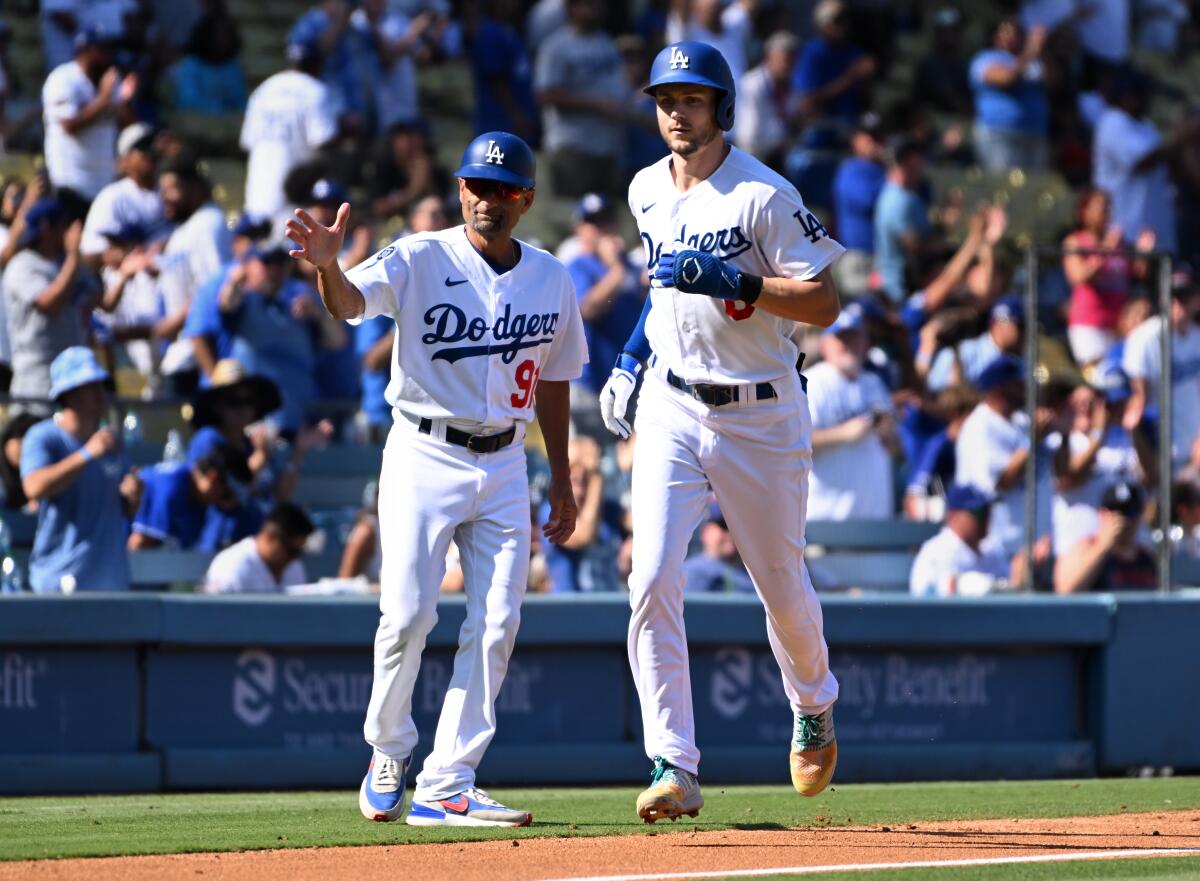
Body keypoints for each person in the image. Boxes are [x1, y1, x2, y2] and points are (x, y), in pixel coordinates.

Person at [288, 130, 586, 827]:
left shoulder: (550, 274)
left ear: (528, 199)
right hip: (425, 450)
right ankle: (388, 749)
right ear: (459, 190)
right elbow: (349, 304)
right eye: (478, 185)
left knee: (498, 620)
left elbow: (558, 380)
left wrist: (563, 478)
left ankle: (449, 779)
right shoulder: (421, 255)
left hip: (509, 459)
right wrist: (329, 269)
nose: (489, 198)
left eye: (504, 188)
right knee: (408, 616)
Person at [597, 41, 844, 823]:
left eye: (692, 99)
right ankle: (674, 761)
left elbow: (824, 303)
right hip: (674, 401)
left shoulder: (763, 194)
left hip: (762, 410)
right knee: (649, 578)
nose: (676, 112)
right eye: (666, 99)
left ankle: (813, 700)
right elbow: (664, 292)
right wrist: (630, 361)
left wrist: (738, 281)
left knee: (781, 587)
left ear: (721, 107)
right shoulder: (644, 189)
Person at [19, 347, 142, 592]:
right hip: (58, 583)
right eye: (91, 386)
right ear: (70, 393)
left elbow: (125, 510)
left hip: (110, 584)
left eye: (101, 386)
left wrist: (133, 496)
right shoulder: (43, 436)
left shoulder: (111, 442)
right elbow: (33, 487)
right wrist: (87, 454)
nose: (101, 395)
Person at [954, 355, 1055, 557]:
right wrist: (1031, 441)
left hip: (1036, 545)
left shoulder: (1021, 421)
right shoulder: (980, 426)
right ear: (999, 389)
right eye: (1018, 384)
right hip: (1000, 548)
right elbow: (1002, 481)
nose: (1026, 388)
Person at [806, 304, 899, 521]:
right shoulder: (812, 382)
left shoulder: (875, 383)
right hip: (827, 518)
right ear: (825, 344)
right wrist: (845, 434)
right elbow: (795, 441)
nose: (849, 345)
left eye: (855, 338)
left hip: (875, 519)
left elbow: (896, 448)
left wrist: (889, 434)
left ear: (866, 343)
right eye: (842, 338)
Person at [564, 193, 645, 432]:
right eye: (593, 223)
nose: (602, 229)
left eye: (606, 221)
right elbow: (587, 310)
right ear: (580, 230)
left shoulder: (633, 265)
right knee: (592, 464)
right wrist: (617, 270)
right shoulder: (576, 265)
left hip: (630, 383)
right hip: (590, 386)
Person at [1051, 367, 1152, 556]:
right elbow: (1067, 479)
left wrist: (1134, 429)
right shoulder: (1066, 441)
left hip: (1127, 553)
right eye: (1102, 401)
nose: (1108, 407)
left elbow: (1151, 481)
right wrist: (1098, 433)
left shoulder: (1127, 439)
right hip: (1079, 550)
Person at [240, 38, 340, 221]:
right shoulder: (316, 91)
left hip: (256, 201)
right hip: (293, 208)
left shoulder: (263, 90)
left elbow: (247, 143)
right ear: (317, 65)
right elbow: (326, 144)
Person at [534, 0, 627, 197]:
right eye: (587, 4)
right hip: (572, 147)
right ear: (571, 8)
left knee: (604, 220)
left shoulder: (606, 41)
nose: (595, 7)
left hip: (607, 146)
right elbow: (546, 94)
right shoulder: (557, 46)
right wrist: (596, 104)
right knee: (572, 218)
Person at [156, 158, 233, 396]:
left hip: (199, 358)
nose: (165, 197)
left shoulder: (209, 224)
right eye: (163, 191)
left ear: (196, 187)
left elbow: (213, 288)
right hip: (180, 353)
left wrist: (173, 322)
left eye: (173, 189)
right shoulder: (184, 228)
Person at [42, 26, 137, 213]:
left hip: (102, 184)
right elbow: (70, 125)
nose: (108, 55)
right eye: (102, 49)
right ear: (84, 50)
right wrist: (102, 101)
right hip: (69, 182)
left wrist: (125, 103)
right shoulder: (63, 78)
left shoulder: (111, 81)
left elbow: (129, 127)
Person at [3, 199, 90, 402]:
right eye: (63, 225)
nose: (68, 233)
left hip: (73, 374)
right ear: (46, 229)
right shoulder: (22, 265)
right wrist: (73, 255)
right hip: (38, 378)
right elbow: (50, 302)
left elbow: (101, 299)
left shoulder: (66, 264)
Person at [1093, 69, 1186, 258]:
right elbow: (1143, 162)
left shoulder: (1146, 125)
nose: (1147, 100)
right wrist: (1181, 137)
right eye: (1141, 94)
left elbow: (1165, 162)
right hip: (1125, 229)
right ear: (1127, 96)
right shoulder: (1113, 122)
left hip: (1152, 230)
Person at [1062, 187, 1152, 367]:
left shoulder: (1118, 243)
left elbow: (1138, 275)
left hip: (1119, 326)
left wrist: (1143, 253)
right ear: (1084, 211)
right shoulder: (1076, 241)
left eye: (1109, 208)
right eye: (1101, 207)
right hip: (1089, 325)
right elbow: (1078, 276)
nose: (1106, 213)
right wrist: (1104, 251)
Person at [1122, 269, 1200, 472]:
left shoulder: (1197, 337)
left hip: (1194, 448)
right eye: (1173, 297)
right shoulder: (1145, 338)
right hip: (1161, 454)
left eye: (1185, 297)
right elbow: (1140, 401)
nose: (1178, 303)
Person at [540, 435, 623, 592]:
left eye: (585, 466)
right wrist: (597, 475)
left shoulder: (608, 509)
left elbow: (645, 526)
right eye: (574, 465)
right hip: (571, 612)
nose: (580, 472)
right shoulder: (551, 511)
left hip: (610, 611)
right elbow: (584, 536)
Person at [968, 18, 1049, 172]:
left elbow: (1055, 83)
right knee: (1004, 187)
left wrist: (1042, 49)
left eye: (1017, 32)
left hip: (1035, 135)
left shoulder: (1034, 61)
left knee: (1033, 190)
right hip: (999, 134)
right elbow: (1007, 79)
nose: (1012, 36)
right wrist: (1030, 51)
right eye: (1006, 31)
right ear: (996, 35)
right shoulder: (985, 58)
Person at [128, 442, 243, 550]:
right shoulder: (173, 487)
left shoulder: (198, 498)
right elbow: (138, 543)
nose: (225, 504)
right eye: (226, 496)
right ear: (211, 477)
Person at [80, 122, 165, 266]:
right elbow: (88, 252)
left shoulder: (170, 192)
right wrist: (111, 255)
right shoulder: (113, 196)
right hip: (130, 282)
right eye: (142, 147)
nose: (150, 152)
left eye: (152, 145)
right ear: (123, 160)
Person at [910, 484, 1013, 597]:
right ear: (953, 514)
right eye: (978, 512)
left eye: (987, 511)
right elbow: (924, 596)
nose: (985, 518)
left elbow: (1011, 587)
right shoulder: (935, 551)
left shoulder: (993, 550)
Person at [1054, 478, 1156, 593]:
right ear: (1102, 513)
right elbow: (1066, 591)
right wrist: (1103, 547)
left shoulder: (1146, 559)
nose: (1124, 520)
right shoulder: (1083, 549)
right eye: (1117, 512)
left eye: (1131, 512)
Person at [202, 501, 314, 594]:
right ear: (270, 537)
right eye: (292, 551)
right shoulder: (232, 566)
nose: (295, 558)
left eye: (299, 551)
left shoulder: (294, 566)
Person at [830, 112, 886, 299]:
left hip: (884, 258)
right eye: (869, 137)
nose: (875, 143)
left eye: (879, 137)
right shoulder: (849, 170)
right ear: (856, 139)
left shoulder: (886, 171)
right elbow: (871, 200)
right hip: (856, 259)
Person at [873, 137, 932, 304]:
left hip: (897, 286)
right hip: (899, 291)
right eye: (918, 158)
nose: (922, 164)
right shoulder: (899, 200)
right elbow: (915, 245)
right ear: (909, 161)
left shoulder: (900, 194)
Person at [927, 295, 1026, 393]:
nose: (1024, 332)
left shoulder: (1020, 362)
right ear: (997, 323)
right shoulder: (962, 352)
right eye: (1019, 326)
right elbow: (934, 390)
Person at [732, 31, 798, 167]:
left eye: (791, 61)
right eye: (784, 59)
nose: (787, 66)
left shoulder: (790, 85)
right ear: (769, 57)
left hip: (779, 155)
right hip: (753, 159)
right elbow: (748, 137)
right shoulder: (752, 84)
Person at [681, 503, 753, 593]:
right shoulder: (693, 571)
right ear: (705, 532)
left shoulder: (753, 572)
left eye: (737, 527)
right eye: (724, 526)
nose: (731, 533)